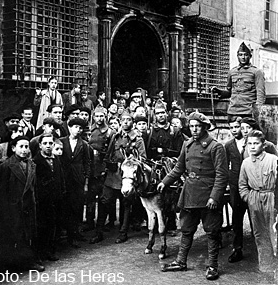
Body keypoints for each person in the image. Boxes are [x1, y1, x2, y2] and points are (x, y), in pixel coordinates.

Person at [158, 112, 228, 281]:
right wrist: (165, 182)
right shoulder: (187, 144)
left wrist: (214, 197)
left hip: (208, 194)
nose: (195, 129)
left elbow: (221, 175)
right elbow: (179, 168)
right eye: (192, 126)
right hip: (190, 192)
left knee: (212, 231)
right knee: (187, 228)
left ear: (204, 127)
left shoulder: (215, 146)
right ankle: (180, 261)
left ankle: (212, 265)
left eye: (198, 126)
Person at [90, 110, 146, 244]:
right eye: (123, 120)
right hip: (113, 175)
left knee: (126, 204)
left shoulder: (137, 139)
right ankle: (99, 232)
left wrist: (131, 161)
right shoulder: (115, 137)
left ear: (132, 122)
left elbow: (143, 160)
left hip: (127, 177)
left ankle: (123, 232)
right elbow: (108, 154)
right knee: (104, 201)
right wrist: (107, 167)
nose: (126, 122)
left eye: (128, 120)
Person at [0, 136, 44, 273]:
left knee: (27, 235)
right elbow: (0, 193)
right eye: (21, 146)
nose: (24, 150)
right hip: (12, 208)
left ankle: (27, 262)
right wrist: (3, 212)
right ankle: (3, 265)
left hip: (28, 206)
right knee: (9, 236)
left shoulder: (32, 164)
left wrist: (35, 203)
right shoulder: (5, 166)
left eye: (26, 147)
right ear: (14, 148)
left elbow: (34, 187)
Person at [239, 130, 278, 273]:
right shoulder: (246, 163)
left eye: (256, 143)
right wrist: (249, 199)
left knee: (274, 232)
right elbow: (242, 185)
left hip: (272, 198)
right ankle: (266, 267)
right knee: (259, 233)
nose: (252, 146)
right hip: (255, 200)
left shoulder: (273, 159)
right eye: (250, 143)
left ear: (263, 144)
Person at [212, 42, 266, 120]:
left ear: (250, 56)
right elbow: (229, 92)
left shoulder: (257, 72)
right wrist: (219, 91)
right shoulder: (232, 72)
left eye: (246, 55)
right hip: (232, 112)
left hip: (248, 112)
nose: (243, 57)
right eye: (240, 55)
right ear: (237, 56)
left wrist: (258, 112)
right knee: (233, 132)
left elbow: (261, 95)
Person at [33, 134, 65, 262]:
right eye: (45, 143)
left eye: (50, 143)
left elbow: (60, 177)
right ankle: (40, 253)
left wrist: (62, 191)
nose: (48, 146)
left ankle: (50, 250)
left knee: (53, 225)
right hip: (43, 200)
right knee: (42, 226)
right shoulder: (36, 161)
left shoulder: (56, 159)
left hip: (56, 198)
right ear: (40, 145)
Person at [60, 118, 90, 248]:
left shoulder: (84, 145)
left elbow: (88, 164)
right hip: (64, 179)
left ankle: (75, 233)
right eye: (75, 127)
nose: (78, 130)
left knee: (77, 206)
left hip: (78, 180)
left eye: (80, 128)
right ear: (70, 127)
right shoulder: (61, 142)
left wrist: (86, 181)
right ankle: (65, 234)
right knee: (65, 206)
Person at [224, 116, 247, 263]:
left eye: (236, 127)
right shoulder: (228, 145)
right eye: (231, 127)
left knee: (255, 215)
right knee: (237, 217)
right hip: (235, 184)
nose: (234, 130)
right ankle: (237, 248)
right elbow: (225, 166)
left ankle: (262, 248)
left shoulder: (250, 143)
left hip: (251, 183)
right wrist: (227, 182)